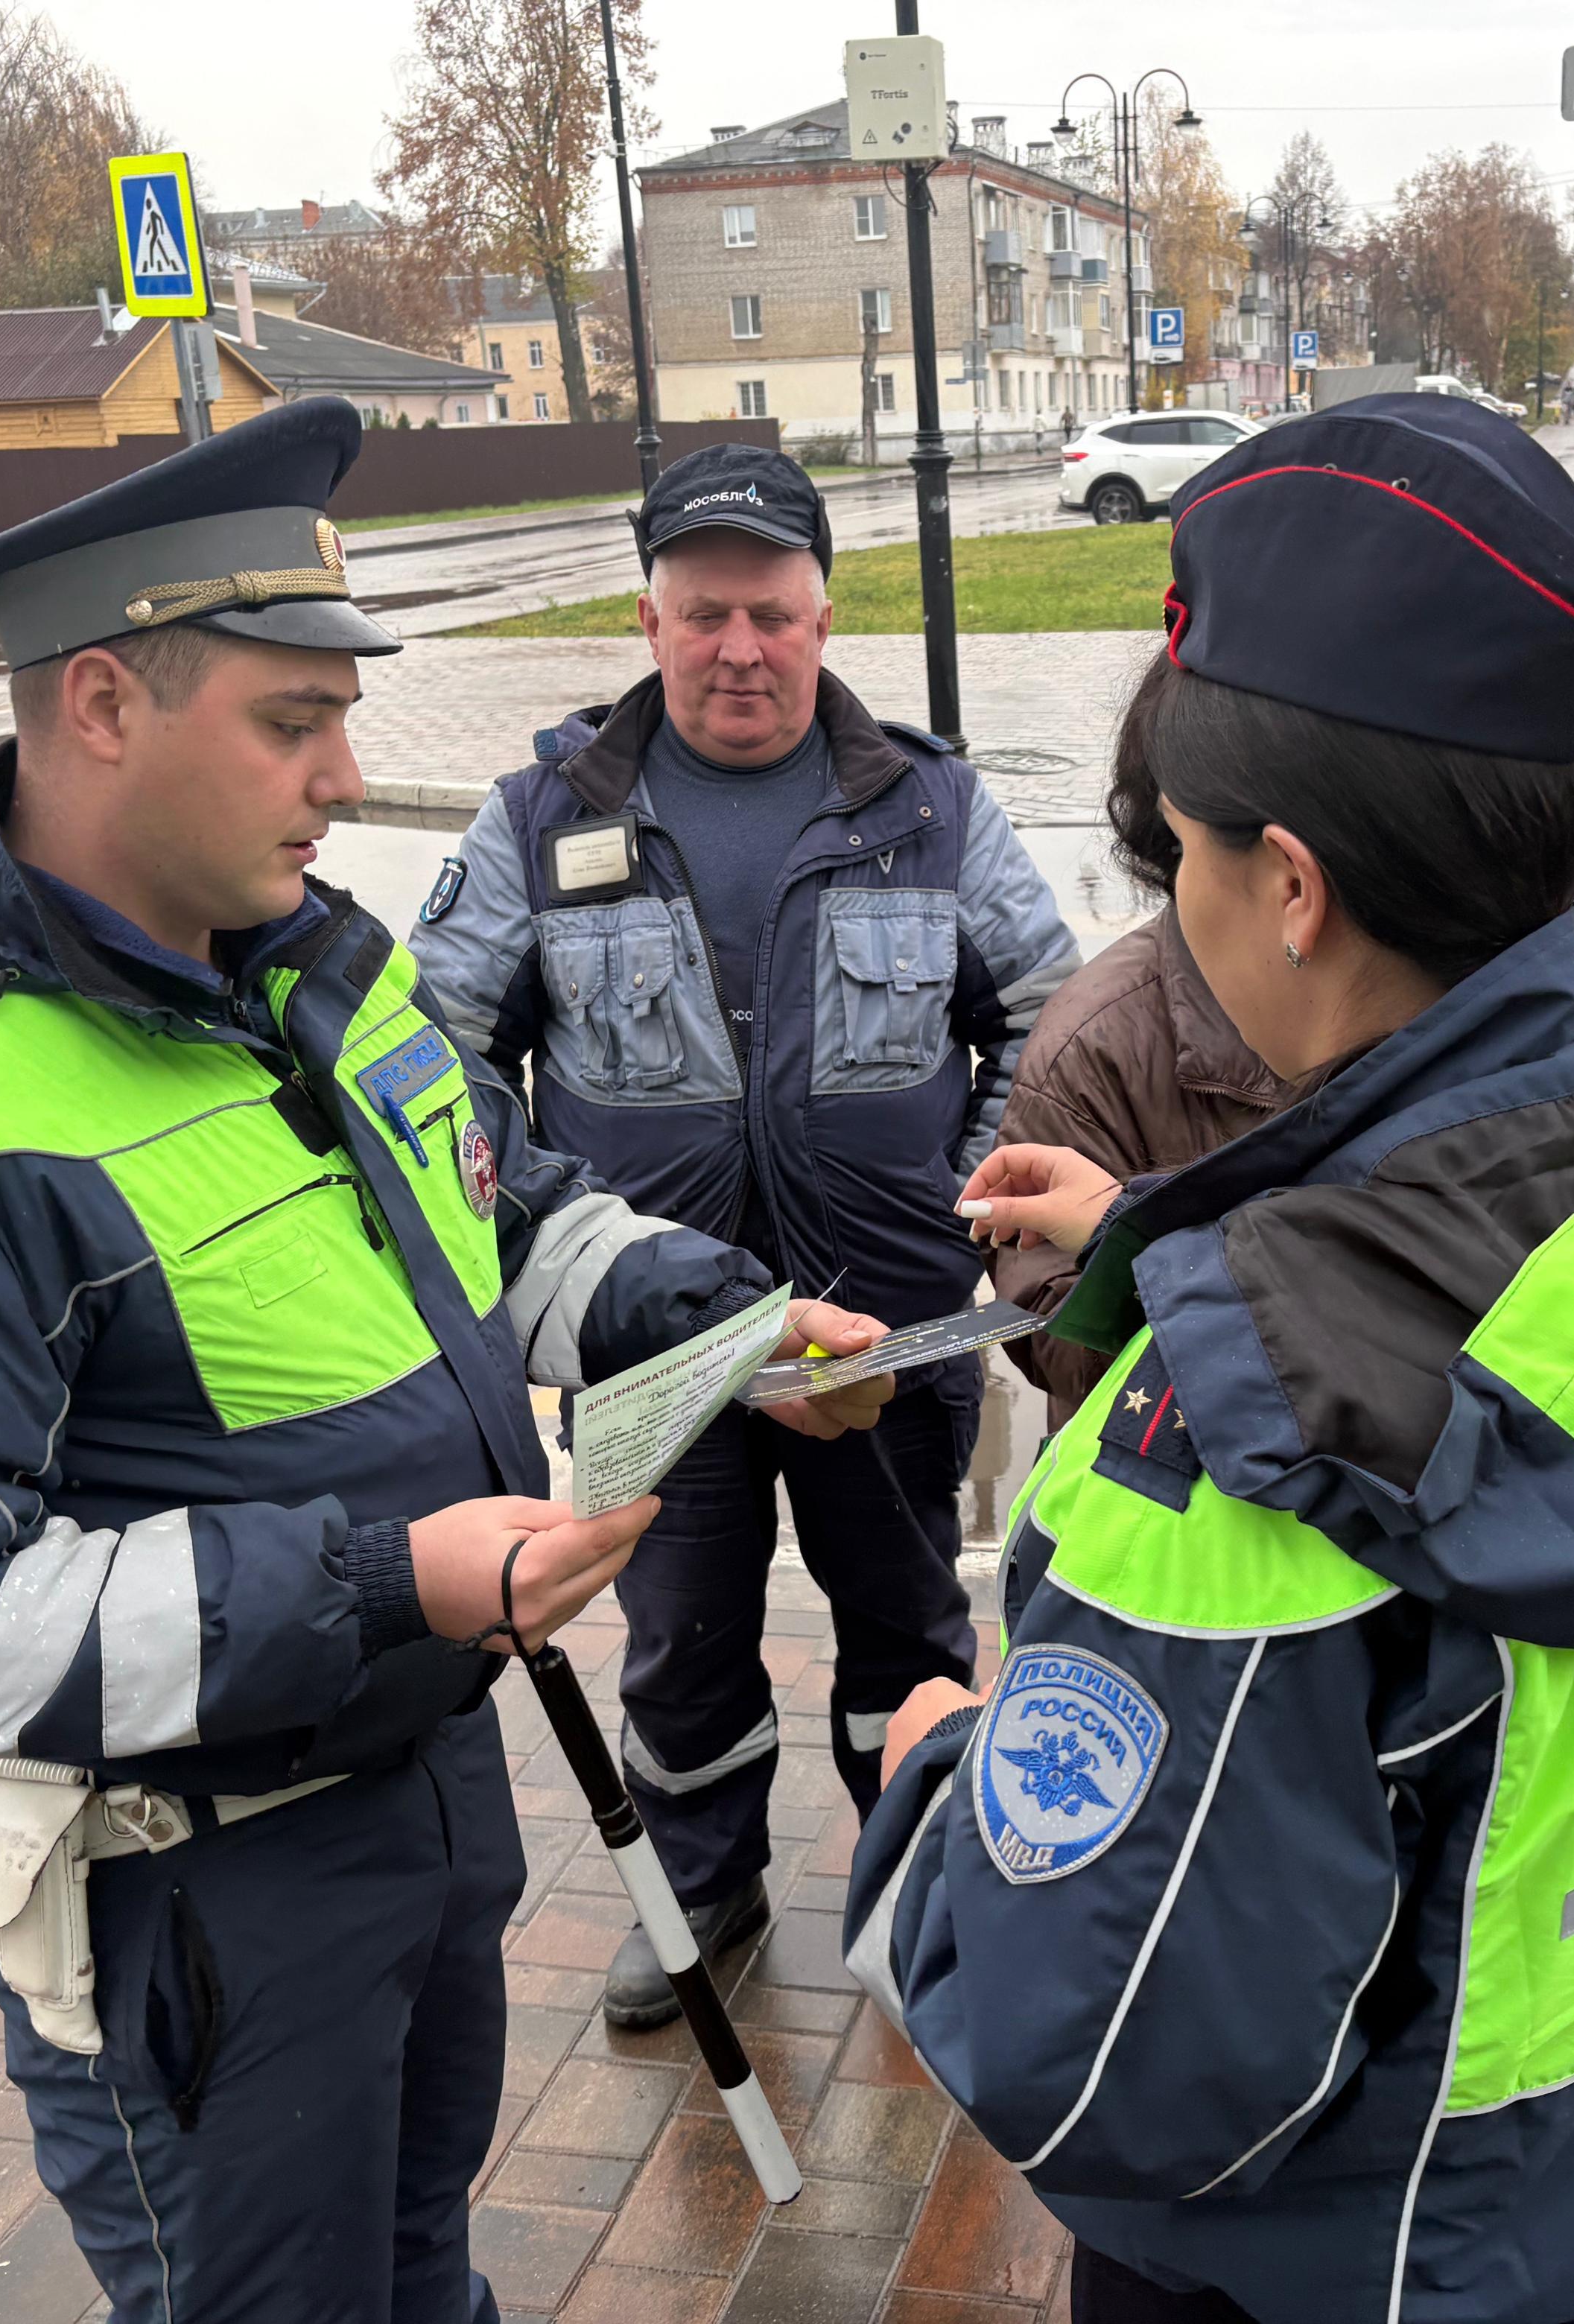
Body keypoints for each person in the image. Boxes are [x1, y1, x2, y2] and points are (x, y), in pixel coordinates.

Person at [0, 399, 895, 2324]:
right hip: (198, 1910)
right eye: (290, 720)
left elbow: (493, 1226)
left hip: (416, 1812)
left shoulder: (306, 952)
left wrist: (730, 1327)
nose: (348, 777)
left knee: (420, 2275)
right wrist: (384, 1580)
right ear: (100, 702)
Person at [842, 393, 1574, 2324]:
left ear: (1297, 884)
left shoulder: (1214, 1465)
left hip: (1344, 2265)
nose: (1172, 909)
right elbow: (1475, 1381)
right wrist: (1175, 1261)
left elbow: (1109, 2057)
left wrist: (932, 1794)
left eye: (1179, 858)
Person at [410, 441, 1079, 2028]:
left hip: (891, 1337)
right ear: (649, 620)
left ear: (822, 616)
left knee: (907, 1631)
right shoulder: (539, 821)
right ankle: (706, 1888)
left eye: (771, 613)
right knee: (679, 1641)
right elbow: (429, 1056)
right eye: (704, 612)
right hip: (660, 1350)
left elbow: (1045, 1017)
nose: (739, 649)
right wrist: (543, 1233)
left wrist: (972, 1209)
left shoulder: (931, 808)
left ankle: (919, 1886)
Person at [985, 787, 1295, 1429]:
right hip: (1155, 1481)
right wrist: (1131, 1238)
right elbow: (1050, 1327)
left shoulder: (1438, 1000)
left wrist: (1131, 1230)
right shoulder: (1095, 1038)